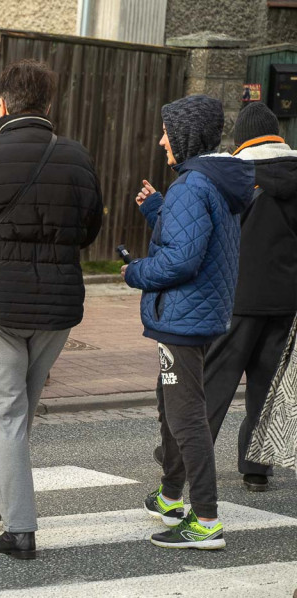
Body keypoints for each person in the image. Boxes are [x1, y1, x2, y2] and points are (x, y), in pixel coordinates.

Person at [0, 59, 104, 559]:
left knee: (4, 414)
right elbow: (90, 229)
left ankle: (21, 529)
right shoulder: (76, 157)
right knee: (16, 412)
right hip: (55, 306)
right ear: (47, 105)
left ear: (3, 105)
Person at [124, 94, 253, 551]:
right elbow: (203, 239)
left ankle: (206, 520)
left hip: (183, 316)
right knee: (171, 406)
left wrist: (134, 272)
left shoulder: (192, 186)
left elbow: (181, 260)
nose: (162, 141)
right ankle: (171, 495)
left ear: (185, 136)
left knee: (186, 416)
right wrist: (160, 212)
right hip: (203, 313)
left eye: (167, 132)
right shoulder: (212, 182)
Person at [201, 102, 297, 493]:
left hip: (236, 298)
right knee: (267, 385)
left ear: (241, 138)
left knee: (213, 381)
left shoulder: (234, 175)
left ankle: (184, 457)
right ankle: (256, 468)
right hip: (288, 301)